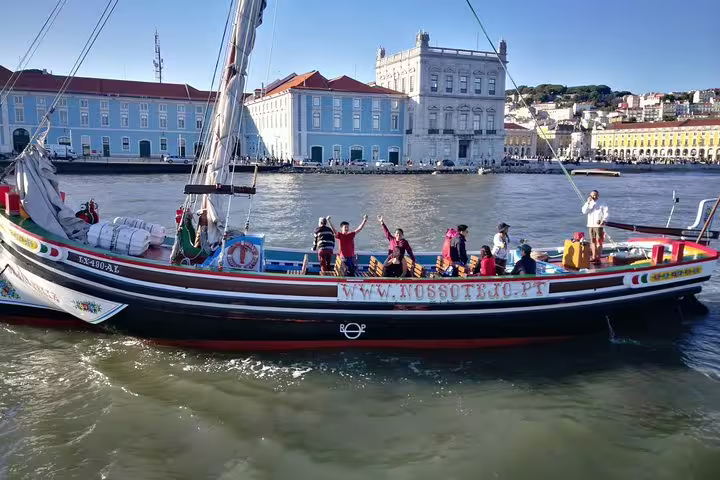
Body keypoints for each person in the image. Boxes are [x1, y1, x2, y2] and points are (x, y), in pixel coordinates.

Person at [581, 190, 609, 263]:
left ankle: (598, 257)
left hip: (599, 225)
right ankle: (593, 256)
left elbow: (606, 212)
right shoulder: (589, 203)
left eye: (595, 195)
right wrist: (588, 203)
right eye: (592, 195)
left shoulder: (602, 203)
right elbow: (584, 211)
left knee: (599, 241)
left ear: (598, 196)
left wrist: (604, 219)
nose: (594, 197)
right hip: (591, 224)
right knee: (592, 241)